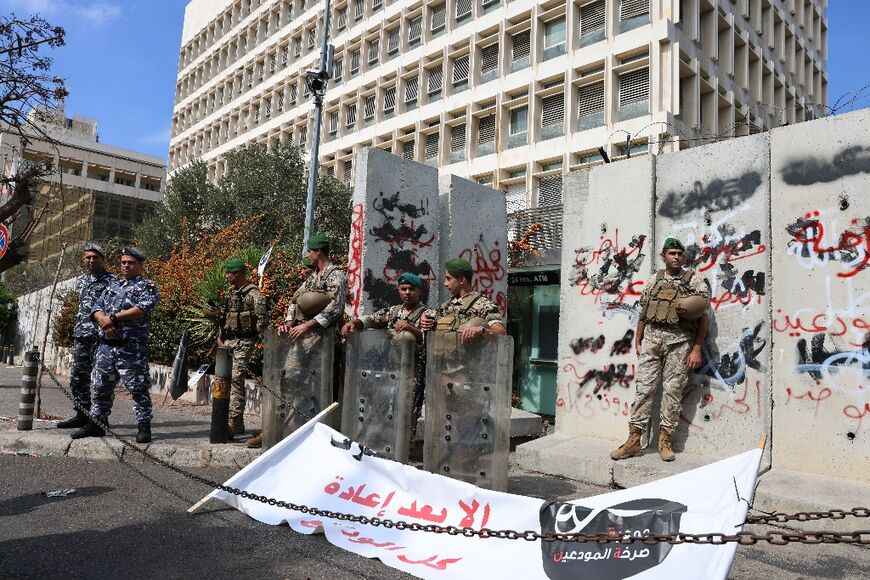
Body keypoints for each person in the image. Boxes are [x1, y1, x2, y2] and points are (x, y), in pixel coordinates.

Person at [611, 237, 710, 462]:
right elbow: (644, 312)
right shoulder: (653, 280)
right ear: (663, 256)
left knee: (672, 392)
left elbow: (703, 318)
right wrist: (638, 339)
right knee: (643, 390)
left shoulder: (694, 280)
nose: (676, 257)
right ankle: (634, 441)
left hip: (678, 343)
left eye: (679, 253)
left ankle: (664, 441)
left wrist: (696, 349)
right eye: (672, 253)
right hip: (652, 342)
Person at [247, 234, 347, 448]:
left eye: (309, 252)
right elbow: (295, 299)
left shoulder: (335, 275)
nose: (307, 255)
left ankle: (320, 439)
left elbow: (336, 308)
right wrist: (289, 322)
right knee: (289, 383)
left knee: (320, 389)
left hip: (323, 341)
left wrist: (307, 325)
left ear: (318, 252)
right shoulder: (313, 277)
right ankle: (280, 431)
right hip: (302, 340)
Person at [71, 247, 160, 444]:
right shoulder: (113, 286)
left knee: (137, 388)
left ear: (140, 265)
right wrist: (103, 320)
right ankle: (97, 423)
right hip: (106, 347)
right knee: (100, 387)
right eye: (123, 262)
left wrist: (112, 318)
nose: (126, 265)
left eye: (131, 262)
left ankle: (144, 425)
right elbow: (95, 308)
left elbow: (142, 309)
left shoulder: (147, 286)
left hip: (131, 348)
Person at [57, 243, 119, 429]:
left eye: (95, 257)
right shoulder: (83, 280)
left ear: (102, 259)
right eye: (88, 257)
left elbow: (116, 307)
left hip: (102, 337)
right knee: (77, 377)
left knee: (102, 379)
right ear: (84, 259)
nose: (91, 260)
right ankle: (82, 414)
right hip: (82, 335)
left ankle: (101, 417)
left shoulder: (112, 281)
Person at [219, 257, 268, 438]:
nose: (226, 276)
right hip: (229, 342)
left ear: (238, 273)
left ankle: (233, 421)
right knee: (224, 379)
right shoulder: (232, 293)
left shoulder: (253, 294)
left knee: (236, 379)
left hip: (244, 342)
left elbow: (263, 320)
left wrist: (250, 335)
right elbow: (225, 318)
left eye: (229, 273)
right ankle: (235, 423)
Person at [420, 258, 506, 340]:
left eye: (449, 279)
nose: (445, 283)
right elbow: (431, 319)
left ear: (462, 280)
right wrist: (425, 318)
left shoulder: (483, 304)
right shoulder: (446, 306)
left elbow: (500, 333)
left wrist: (481, 330)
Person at [341, 272, 430, 343]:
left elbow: (428, 340)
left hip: (415, 363)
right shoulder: (393, 312)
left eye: (411, 289)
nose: (407, 292)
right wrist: (353, 323)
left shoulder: (427, 314)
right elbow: (371, 320)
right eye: (403, 289)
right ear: (398, 291)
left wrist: (409, 328)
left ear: (420, 291)